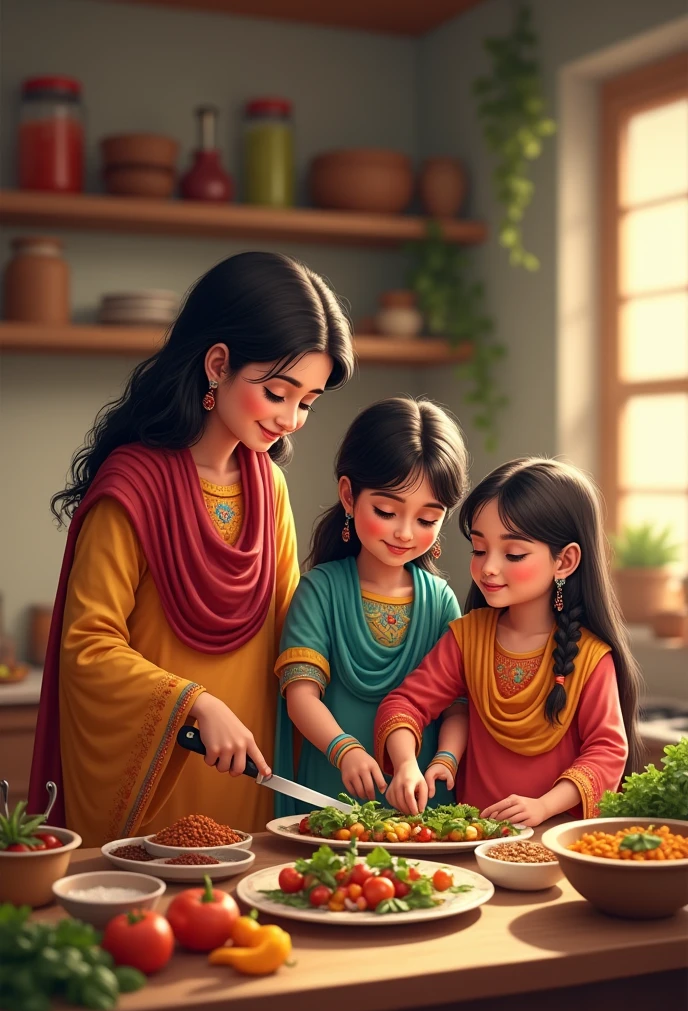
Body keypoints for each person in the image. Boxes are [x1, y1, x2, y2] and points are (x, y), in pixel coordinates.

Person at [28, 252, 354, 846]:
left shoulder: (268, 487)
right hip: (164, 764)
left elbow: (292, 633)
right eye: (278, 392)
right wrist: (193, 705)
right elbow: (88, 647)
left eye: (306, 402)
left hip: (249, 768)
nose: (291, 419)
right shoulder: (133, 486)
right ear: (218, 364)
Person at [375, 457, 643, 827]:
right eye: (480, 550)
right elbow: (405, 703)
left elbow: (607, 751)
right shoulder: (468, 636)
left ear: (564, 561)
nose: (488, 568)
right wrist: (405, 764)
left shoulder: (593, 657)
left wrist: (544, 806)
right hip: (472, 837)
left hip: (552, 839)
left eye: (513, 554)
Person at [273, 397, 469, 817]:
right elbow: (301, 696)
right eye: (386, 510)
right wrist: (344, 751)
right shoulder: (319, 591)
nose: (403, 532)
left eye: (426, 519)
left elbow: (456, 707)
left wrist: (445, 760)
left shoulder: (440, 602)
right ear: (348, 496)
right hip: (333, 786)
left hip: (421, 797)